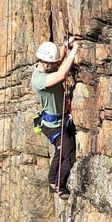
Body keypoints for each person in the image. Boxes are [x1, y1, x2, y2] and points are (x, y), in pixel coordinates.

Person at [31, 38, 79, 197]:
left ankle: (52, 179)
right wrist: (74, 52)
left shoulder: (46, 67)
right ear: (44, 63)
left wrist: (65, 47)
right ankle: (60, 184)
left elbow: (56, 63)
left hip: (59, 121)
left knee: (61, 150)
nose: (54, 65)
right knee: (69, 152)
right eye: (52, 63)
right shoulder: (38, 80)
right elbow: (62, 74)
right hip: (53, 126)